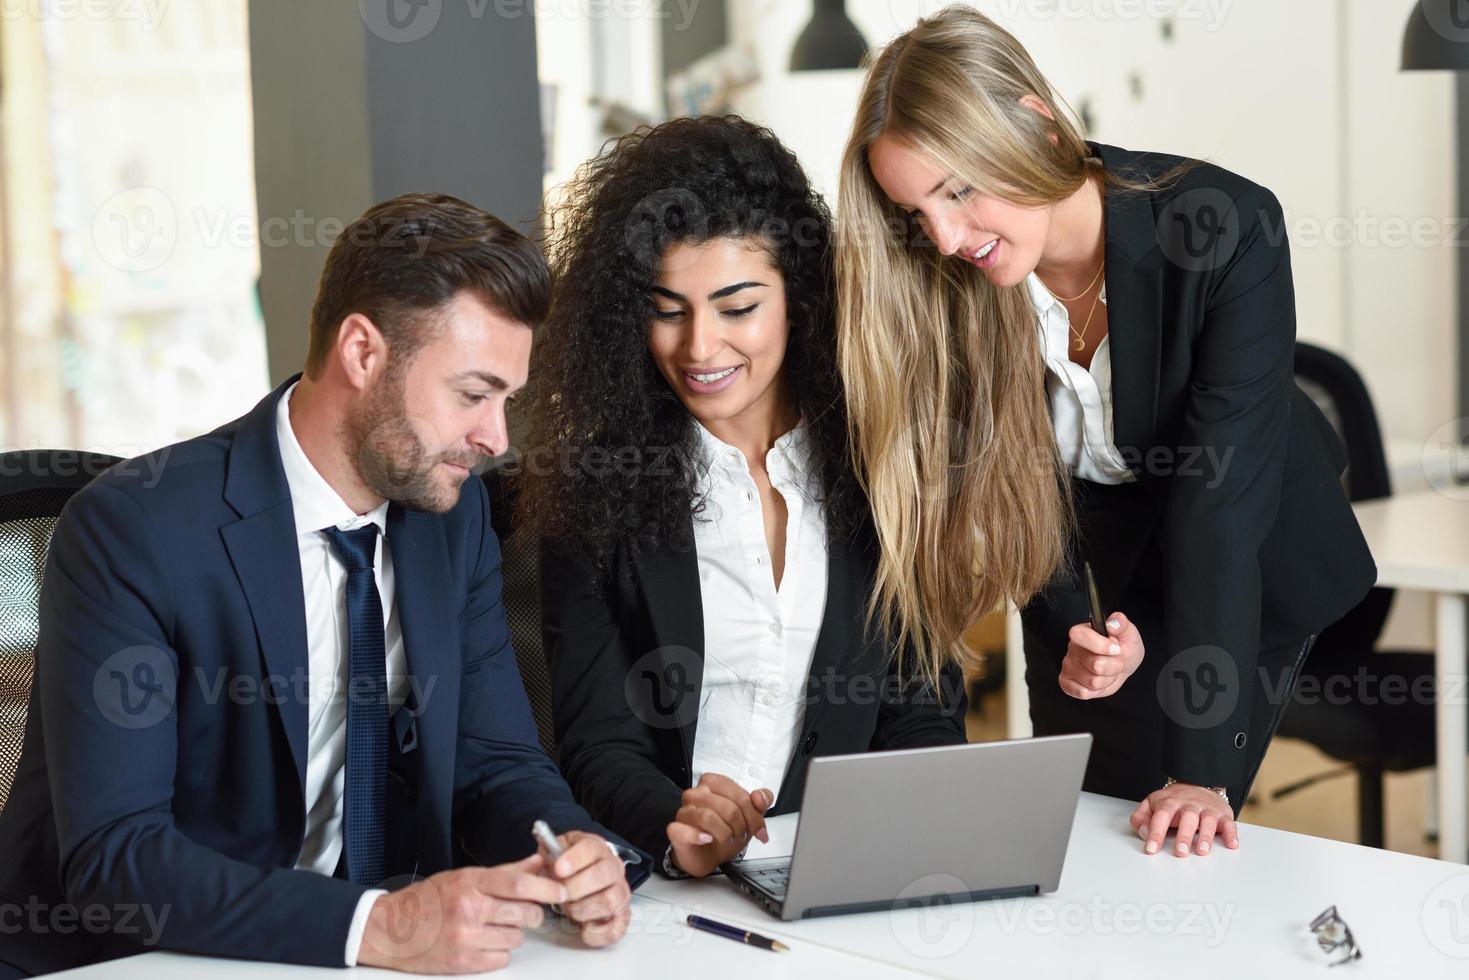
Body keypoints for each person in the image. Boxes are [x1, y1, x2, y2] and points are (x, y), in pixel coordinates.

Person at [0, 193, 646, 979]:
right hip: (134, 959)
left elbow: (496, 761)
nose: (495, 439)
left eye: (505, 400)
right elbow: (119, 857)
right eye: (473, 395)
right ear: (363, 353)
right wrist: (380, 925)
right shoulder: (130, 530)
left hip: (351, 955)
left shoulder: (451, 514)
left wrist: (574, 851)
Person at [834, 6, 1375, 859]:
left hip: (1247, 549)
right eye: (915, 213)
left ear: (1033, 124)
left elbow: (1218, 508)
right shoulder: (958, 287)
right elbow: (1010, 482)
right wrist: (1075, 628)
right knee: (1087, 830)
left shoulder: (1221, 226)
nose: (942, 239)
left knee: (1186, 825)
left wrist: (1199, 768)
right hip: (1098, 554)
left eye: (956, 190)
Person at [518, 115, 968, 879]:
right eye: (667, 309)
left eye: (736, 307)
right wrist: (674, 822)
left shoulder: (877, 468)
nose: (698, 348)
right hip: (663, 884)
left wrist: (913, 821)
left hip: (844, 872)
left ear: (798, 299)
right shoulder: (593, 488)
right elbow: (598, 743)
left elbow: (918, 707)